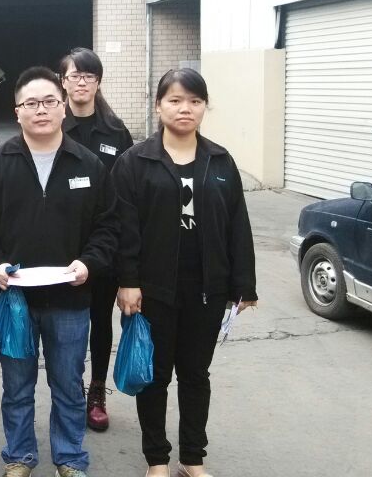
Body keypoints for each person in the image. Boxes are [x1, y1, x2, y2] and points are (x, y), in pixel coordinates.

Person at [0, 66, 120, 477]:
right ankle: (19, 456)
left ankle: (69, 459)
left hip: (70, 298)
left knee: (68, 384)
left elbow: (108, 226)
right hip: (14, 299)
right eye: (31, 103)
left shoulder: (88, 164)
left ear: (63, 106)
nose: (41, 110)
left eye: (49, 101)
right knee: (17, 385)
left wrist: (89, 263)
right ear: (17, 111)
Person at [113, 68, 258, 477]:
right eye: (175, 100)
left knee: (196, 375)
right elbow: (125, 229)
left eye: (194, 101)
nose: (185, 109)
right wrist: (128, 282)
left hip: (207, 289)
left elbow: (237, 225)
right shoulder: (135, 162)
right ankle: (157, 460)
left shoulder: (220, 160)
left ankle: (192, 459)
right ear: (158, 106)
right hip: (153, 289)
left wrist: (244, 286)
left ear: (204, 107)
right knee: (155, 377)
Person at [58, 47, 134, 431]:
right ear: (63, 82)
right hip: (63, 246)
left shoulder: (116, 131)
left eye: (89, 76)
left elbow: (129, 196)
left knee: (101, 322)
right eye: (74, 75)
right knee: (67, 325)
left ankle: (97, 391)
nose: (81, 82)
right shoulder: (53, 126)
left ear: (98, 82)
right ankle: (70, 391)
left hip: (105, 247)